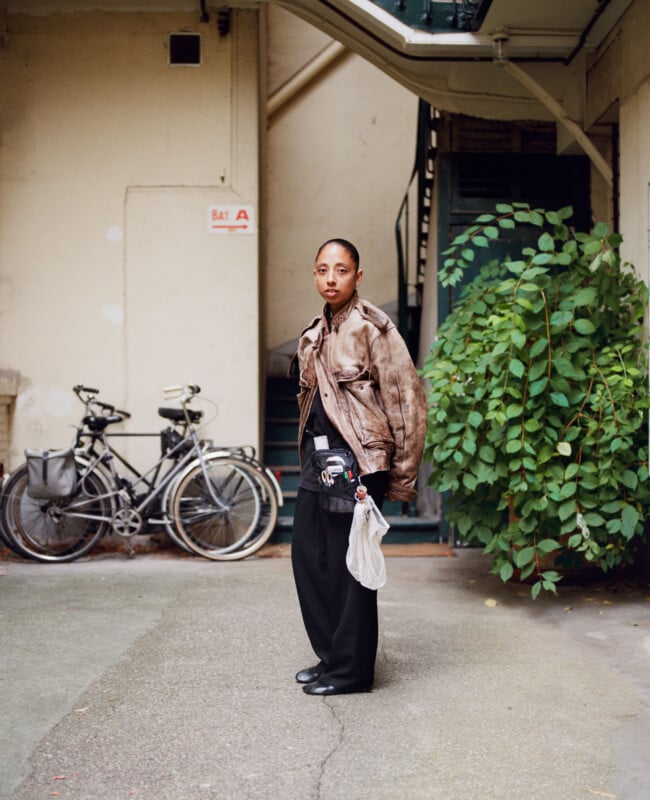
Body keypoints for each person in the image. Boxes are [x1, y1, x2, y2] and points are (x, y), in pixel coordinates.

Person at [290, 238, 428, 696]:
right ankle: (331, 656)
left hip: (361, 464)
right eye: (323, 269)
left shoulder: (375, 329)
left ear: (358, 276)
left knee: (351, 567)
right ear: (315, 275)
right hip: (320, 463)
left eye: (341, 270)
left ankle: (351, 672)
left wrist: (401, 479)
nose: (331, 278)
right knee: (311, 560)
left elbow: (406, 402)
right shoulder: (315, 331)